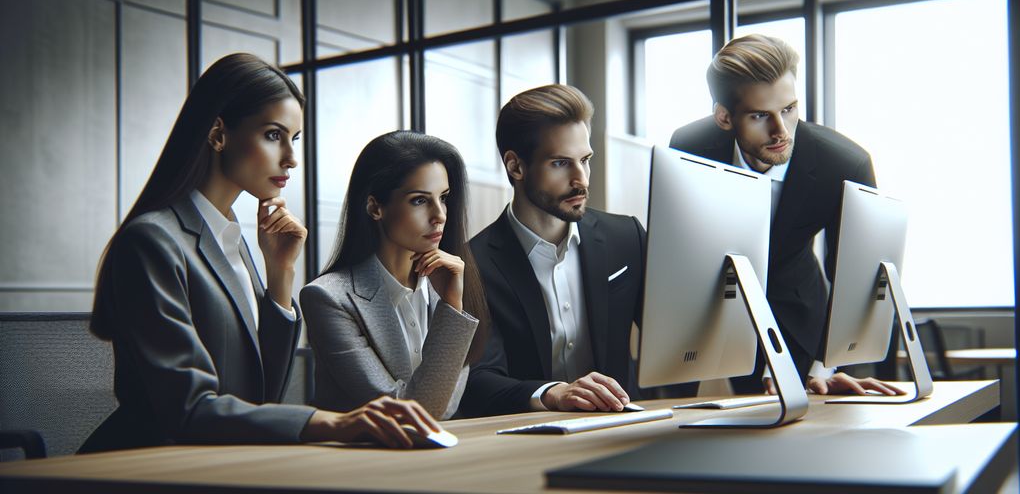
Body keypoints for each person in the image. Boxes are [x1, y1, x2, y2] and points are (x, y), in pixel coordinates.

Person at [80, 53, 438, 453]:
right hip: (143, 464)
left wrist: (280, 273)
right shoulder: (152, 241)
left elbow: (263, 395)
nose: (291, 158)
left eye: (294, 139)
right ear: (218, 134)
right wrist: (332, 422)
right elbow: (188, 410)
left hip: (224, 460)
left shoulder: (230, 239)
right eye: (273, 135)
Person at [669, 34, 904, 396]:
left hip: (799, 314)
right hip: (717, 312)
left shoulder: (843, 163)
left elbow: (854, 279)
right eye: (761, 115)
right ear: (724, 117)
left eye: (789, 109)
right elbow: (679, 249)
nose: (781, 131)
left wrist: (827, 364)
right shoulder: (689, 147)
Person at [460, 84, 646, 417]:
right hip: (525, 440)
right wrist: (552, 393)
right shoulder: (473, 264)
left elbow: (674, 340)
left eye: (585, 160)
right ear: (516, 167)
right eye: (561, 163)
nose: (581, 180)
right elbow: (476, 380)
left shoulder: (627, 238)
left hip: (621, 429)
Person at [301, 131, 487, 420]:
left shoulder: (454, 283)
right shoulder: (328, 298)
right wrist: (452, 308)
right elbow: (411, 413)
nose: (439, 215)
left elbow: (448, 407)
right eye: (419, 201)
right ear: (375, 207)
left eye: (444, 198)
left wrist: (452, 302)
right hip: (361, 460)